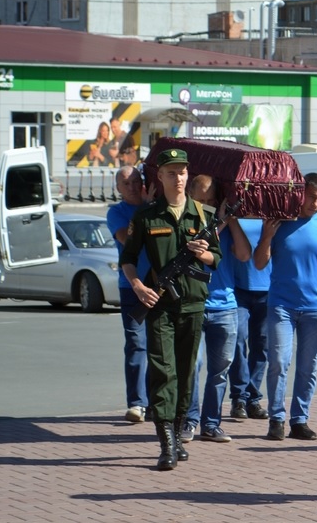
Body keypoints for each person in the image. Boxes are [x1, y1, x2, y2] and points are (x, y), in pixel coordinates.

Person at [120, 148, 223, 471]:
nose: (178, 178)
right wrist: (138, 287)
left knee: (186, 370)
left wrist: (203, 253)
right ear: (160, 177)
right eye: (171, 173)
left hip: (193, 304)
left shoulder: (203, 215)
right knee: (164, 371)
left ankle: (178, 434)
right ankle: (166, 442)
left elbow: (216, 259)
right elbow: (127, 259)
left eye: (182, 172)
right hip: (160, 305)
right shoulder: (146, 216)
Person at [253, 172, 317, 443]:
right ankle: (276, 419)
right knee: (279, 361)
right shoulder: (279, 221)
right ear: (300, 194)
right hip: (281, 305)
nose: (316, 204)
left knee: (308, 367)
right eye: (312, 197)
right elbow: (259, 263)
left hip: (316, 306)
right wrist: (266, 236)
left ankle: (299, 420)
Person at [181, 175, 251, 445]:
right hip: (194, 303)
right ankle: (189, 420)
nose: (206, 205)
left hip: (226, 306)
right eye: (201, 200)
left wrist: (231, 220)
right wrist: (218, 221)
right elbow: (196, 248)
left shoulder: (227, 224)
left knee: (220, 370)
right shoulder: (185, 222)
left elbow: (244, 254)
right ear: (191, 197)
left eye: (211, 200)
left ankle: (211, 423)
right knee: (192, 365)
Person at [107, 166, 152, 423]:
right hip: (131, 287)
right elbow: (128, 238)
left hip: (159, 285)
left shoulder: (156, 207)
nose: (133, 187)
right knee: (136, 343)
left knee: (159, 345)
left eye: (136, 181)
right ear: (118, 188)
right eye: (126, 183)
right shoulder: (116, 212)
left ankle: (156, 401)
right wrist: (147, 209)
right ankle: (136, 403)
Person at [227, 218, 272, 421]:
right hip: (238, 289)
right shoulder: (235, 213)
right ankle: (239, 397)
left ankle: (253, 398)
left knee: (261, 345)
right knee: (237, 340)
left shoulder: (273, 212)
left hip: (268, 289)